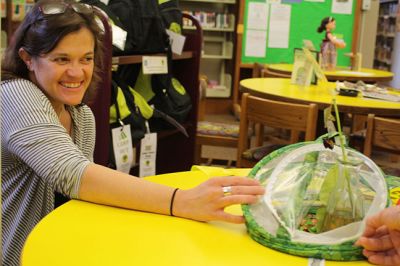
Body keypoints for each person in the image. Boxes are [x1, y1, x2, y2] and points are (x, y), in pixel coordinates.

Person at [0, 1, 265, 265]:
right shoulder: (15, 94)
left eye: (87, 59)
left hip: (56, 248)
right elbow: (70, 173)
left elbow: (82, 193)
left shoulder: (82, 116)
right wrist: (181, 200)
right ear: (28, 59)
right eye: (61, 59)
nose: (77, 72)